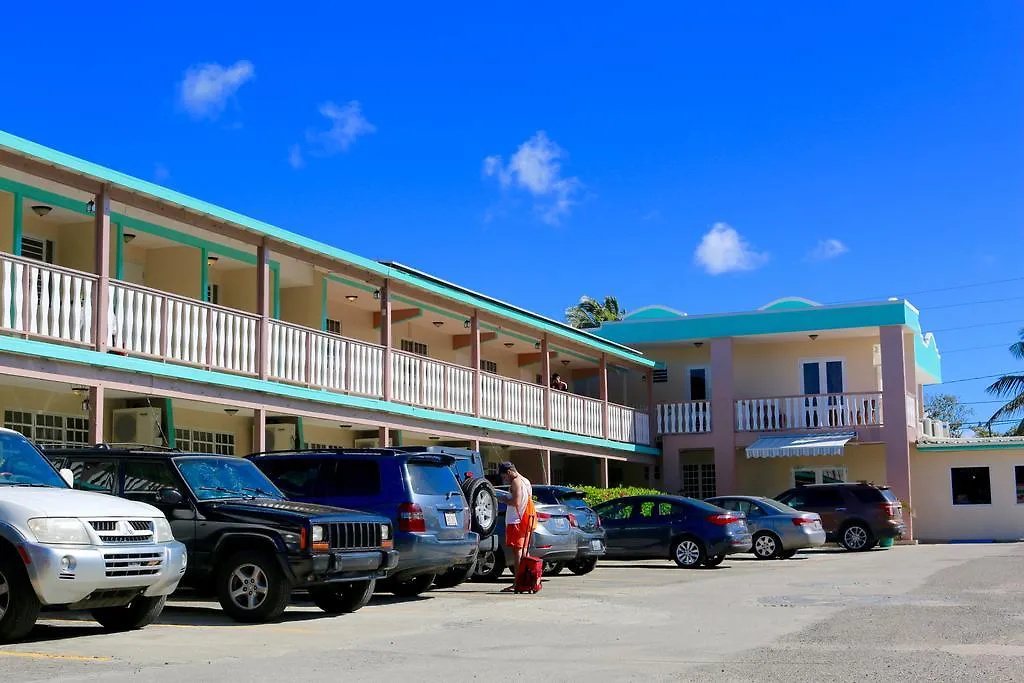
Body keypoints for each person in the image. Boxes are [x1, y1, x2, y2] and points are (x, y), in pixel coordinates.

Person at [499, 461, 535, 590]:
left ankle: (518, 582)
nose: (505, 479)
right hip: (526, 519)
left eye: (504, 476)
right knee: (525, 551)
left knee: (517, 552)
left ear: (509, 472)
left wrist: (502, 499)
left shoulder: (516, 482)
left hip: (516, 521)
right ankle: (527, 580)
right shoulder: (526, 481)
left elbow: (516, 502)